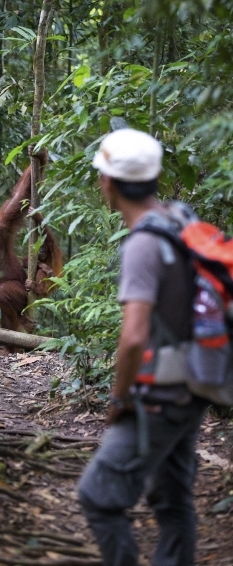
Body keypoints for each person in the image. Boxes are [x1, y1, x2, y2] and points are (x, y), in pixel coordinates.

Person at [78, 128, 208, 566]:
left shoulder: (143, 243)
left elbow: (133, 336)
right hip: (195, 383)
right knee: (173, 501)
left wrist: (119, 398)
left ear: (109, 183)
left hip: (158, 396)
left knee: (97, 496)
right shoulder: (182, 217)